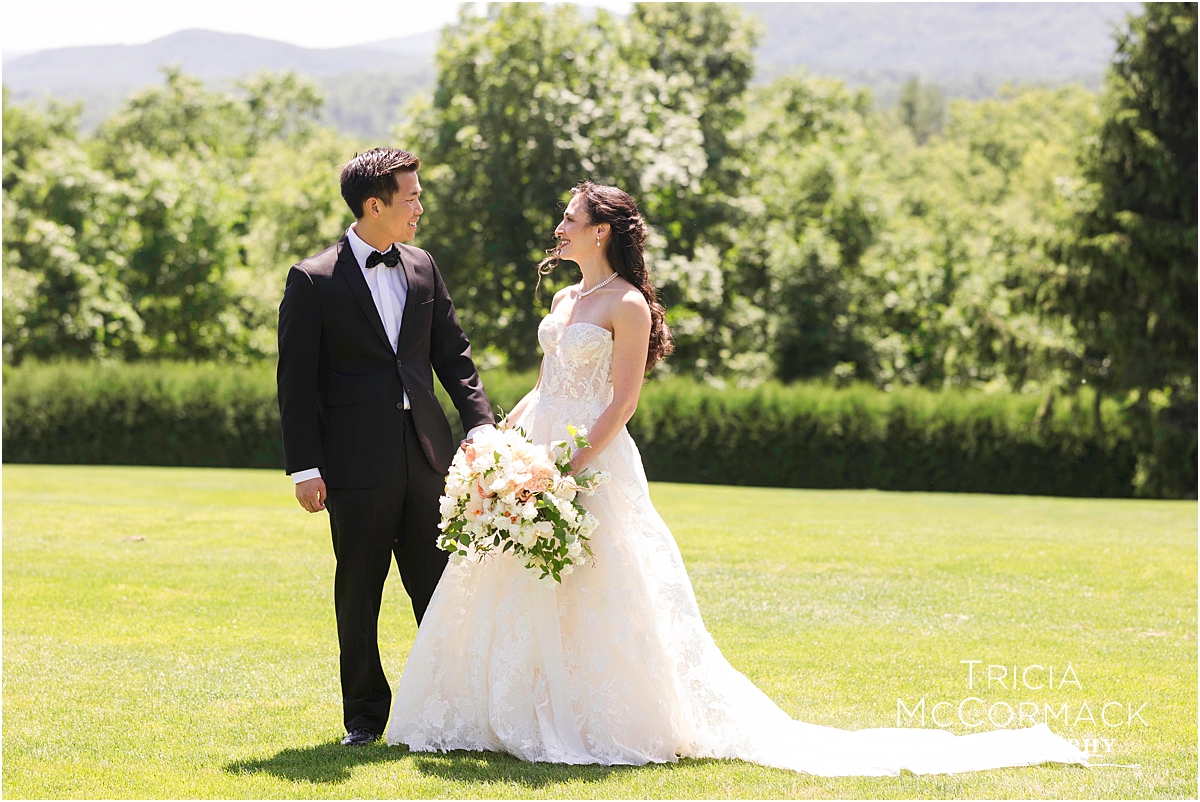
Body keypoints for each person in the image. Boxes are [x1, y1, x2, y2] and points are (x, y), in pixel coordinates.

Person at [384, 181, 1089, 775]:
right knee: (520, 581)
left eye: (571, 219)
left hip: (589, 457)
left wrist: (563, 467)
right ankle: (509, 710)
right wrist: (508, 445)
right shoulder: (566, 303)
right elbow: (549, 382)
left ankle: (603, 716)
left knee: (595, 580)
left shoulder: (625, 304)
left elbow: (621, 403)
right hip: (539, 444)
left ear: (601, 231)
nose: (559, 228)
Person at [276, 147, 494, 747]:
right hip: (352, 465)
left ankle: (451, 712)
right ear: (376, 205)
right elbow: (295, 385)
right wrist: (305, 467)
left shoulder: (423, 266)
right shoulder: (312, 280)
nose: (420, 207)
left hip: (427, 455)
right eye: (412, 197)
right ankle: (365, 720)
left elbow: (455, 355)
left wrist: (480, 425)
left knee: (439, 588)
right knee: (360, 592)